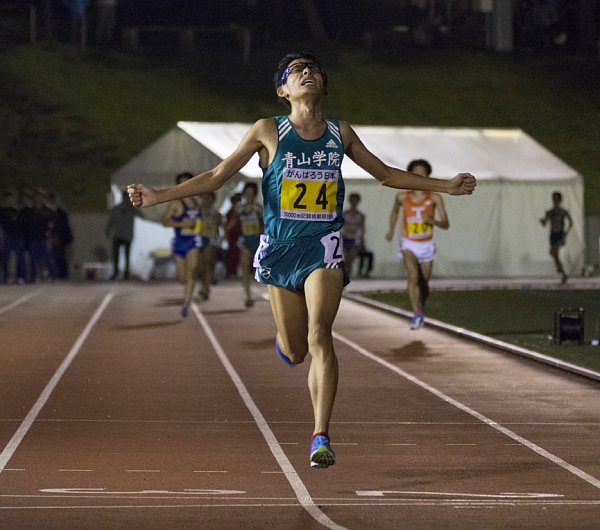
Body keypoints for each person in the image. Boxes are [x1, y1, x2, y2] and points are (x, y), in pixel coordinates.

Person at [127, 52, 476, 468]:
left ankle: (320, 436)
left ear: (323, 86)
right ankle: (284, 343)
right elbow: (218, 176)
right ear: (282, 90)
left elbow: (385, 174)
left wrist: (445, 187)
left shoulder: (338, 133)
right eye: (297, 71)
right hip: (280, 249)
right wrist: (158, 195)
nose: (307, 73)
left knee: (319, 334)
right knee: (294, 350)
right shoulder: (267, 131)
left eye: (314, 70)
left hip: (323, 245)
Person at [386, 159, 450, 330]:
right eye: (416, 173)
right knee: (413, 277)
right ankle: (417, 312)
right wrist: (391, 230)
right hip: (409, 243)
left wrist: (433, 221)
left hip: (426, 245)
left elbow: (446, 223)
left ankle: (420, 306)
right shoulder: (402, 196)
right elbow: (394, 211)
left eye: (422, 173)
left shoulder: (435, 197)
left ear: (427, 175)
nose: (419, 176)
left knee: (424, 284)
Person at [160, 172, 202, 318]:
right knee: (182, 277)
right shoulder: (176, 203)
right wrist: (180, 223)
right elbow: (164, 221)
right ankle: (186, 295)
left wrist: (201, 225)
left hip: (193, 241)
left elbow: (200, 220)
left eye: (188, 182)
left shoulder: (198, 202)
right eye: (182, 183)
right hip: (179, 242)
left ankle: (187, 303)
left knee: (192, 271)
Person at [235, 182, 263, 308]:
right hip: (245, 240)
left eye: (251, 194)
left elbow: (265, 224)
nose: (249, 196)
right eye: (247, 193)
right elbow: (234, 222)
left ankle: (251, 283)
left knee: (257, 268)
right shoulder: (239, 208)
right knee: (245, 268)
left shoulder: (259, 208)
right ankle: (248, 296)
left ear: (255, 195)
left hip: (257, 240)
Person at [105, 189, 141, 281]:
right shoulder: (116, 209)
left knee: (127, 255)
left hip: (127, 235)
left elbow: (141, 216)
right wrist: (108, 230)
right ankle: (116, 272)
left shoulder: (132, 209)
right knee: (115, 255)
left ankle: (126, 273)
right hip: (117, 234)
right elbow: (111, 221)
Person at [540, 191, 572, 283]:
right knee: (554, 254)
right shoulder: (550, 211)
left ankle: (561, 270)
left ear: (560, 200)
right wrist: (543, 221)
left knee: (554, 252)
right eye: (553, 199)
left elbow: (571, 223)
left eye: (556, 199)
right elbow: (545, 223)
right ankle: (563, 273)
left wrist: (565, 234)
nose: (555, 200)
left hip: (560, 234)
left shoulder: (563, 212)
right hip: (553, 234)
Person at [197, 191, 223, 300]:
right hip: (198, 239)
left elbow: (218, 226)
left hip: (211, 239)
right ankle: (204, 283)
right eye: (203, 198)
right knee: (200, 266)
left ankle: (205, 288)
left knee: (208, 264)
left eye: (208, 198)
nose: (206, 200)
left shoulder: (216, 213)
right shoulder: (196, 211)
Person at [46, 192, 73, 280]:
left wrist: (59, 237)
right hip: (54, 237)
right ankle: (56, 273)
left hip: (62, 237)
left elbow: (63, 226)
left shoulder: (60, 212)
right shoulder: (49, 211)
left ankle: (63, 274)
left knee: (61, 255)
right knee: (54, 256)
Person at [341, 192, 365, 278]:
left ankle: (348, 277)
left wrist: (361, 239)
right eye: (352, 200)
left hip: (354, 239)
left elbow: (362, 228)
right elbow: (341, 227)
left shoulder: (360, 215)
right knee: (345, 260)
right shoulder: (345, 214)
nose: (354, 202)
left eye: (356, 200)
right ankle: (345, 277)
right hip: (345, 238)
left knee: (350, 260)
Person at [224, 192, 242, 279]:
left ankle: (235, 271)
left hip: (238, 235)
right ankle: (232, 272)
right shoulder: (231, 211)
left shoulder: (239, 210)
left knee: (236, 254)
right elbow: (230, 223)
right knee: (232, 254)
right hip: (233, 235)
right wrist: (226, 232)